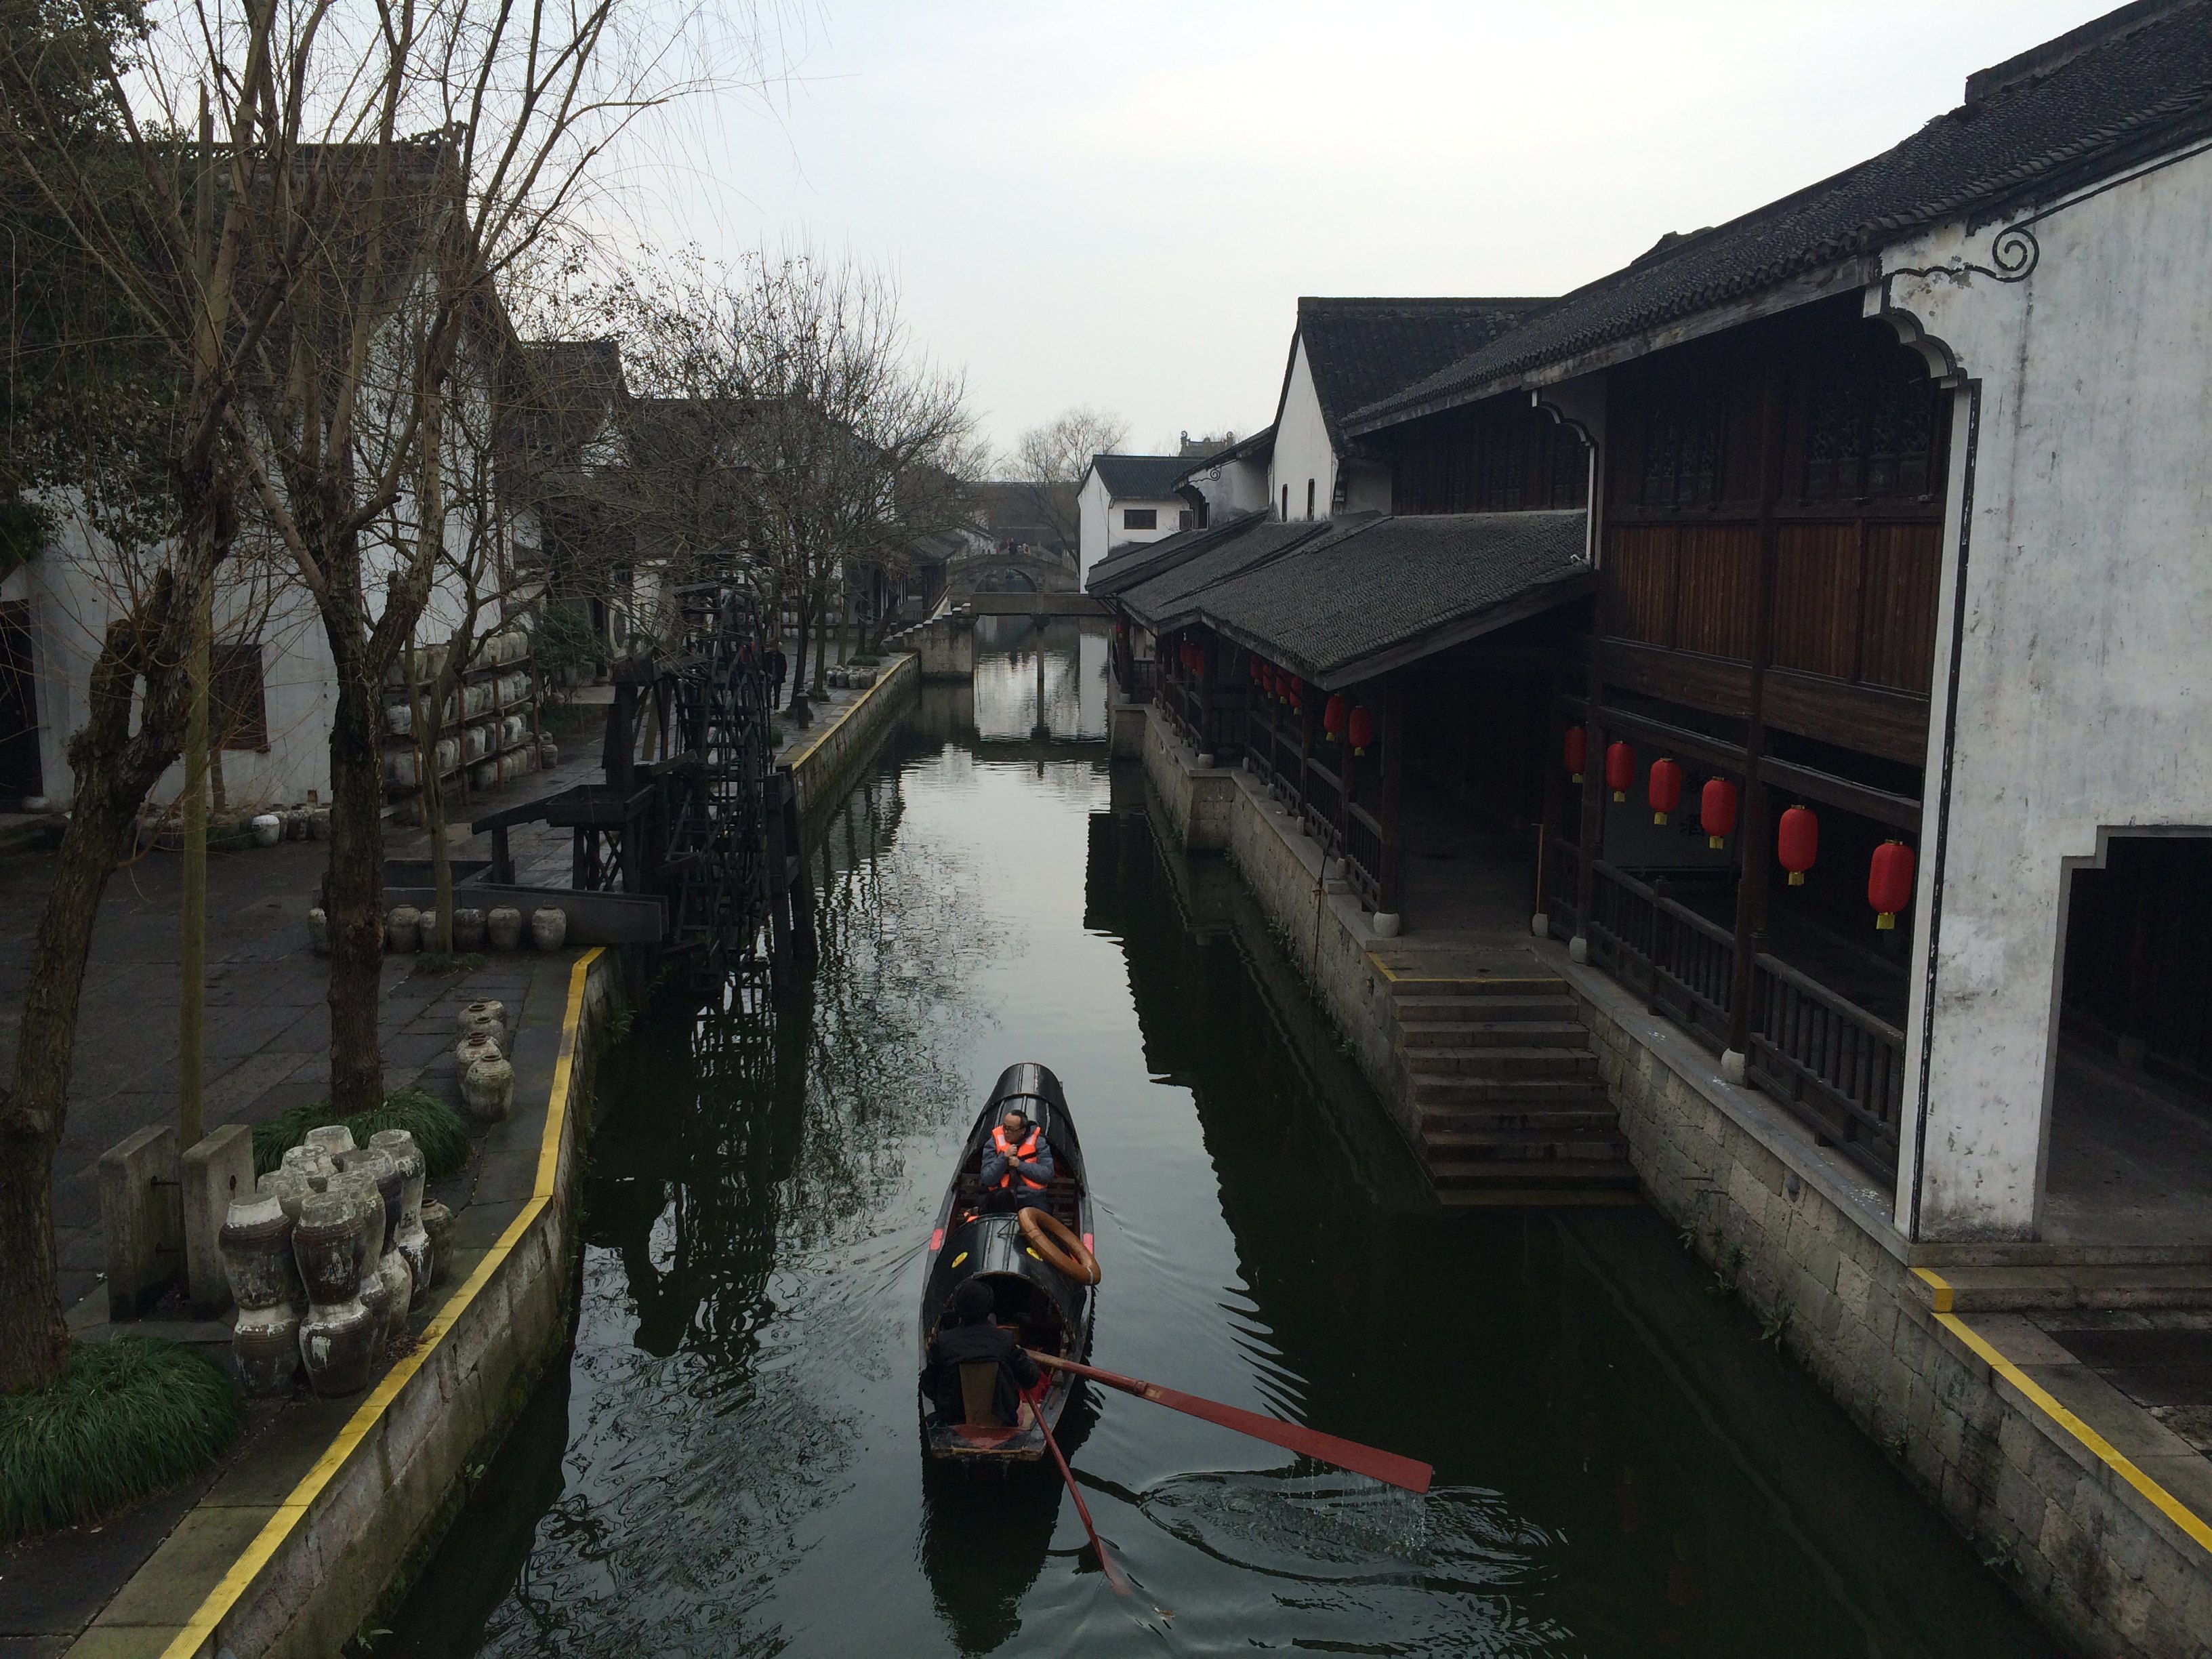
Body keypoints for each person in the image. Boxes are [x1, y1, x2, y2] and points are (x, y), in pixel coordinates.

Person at [924, 1278, 1041, 1426]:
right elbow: (1031, 1379)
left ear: (957, 1309)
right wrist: (1022, 1355)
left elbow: (928, 1386)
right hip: (1002, 1421)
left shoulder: (943, 1341)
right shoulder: (1005, 1339)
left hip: (953, 1419)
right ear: (989, 1308)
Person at [979, 1104, 1052, 1213]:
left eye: (1010, 1129)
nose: (1006, 1132)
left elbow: (1047, 1175)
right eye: (1004, 1127)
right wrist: (1004, 1158)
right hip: (1000, 1196)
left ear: (1022, 1131)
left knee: (1044, 1212)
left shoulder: (1039, 1142)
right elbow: (988, 1179)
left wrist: (1020, 1165)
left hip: (1030, 1197)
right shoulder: (993, 1143)